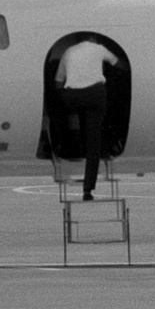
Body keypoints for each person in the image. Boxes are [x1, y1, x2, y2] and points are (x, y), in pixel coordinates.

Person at [55, 38, 122, 200]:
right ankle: (88, 190)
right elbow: (117, 63)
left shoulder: (68, 52)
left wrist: (60, 100)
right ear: (93, 39)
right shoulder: (99, 48)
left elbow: (58, 80)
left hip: (72, 96)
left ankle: (62, 144)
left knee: (78, 114)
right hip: (95, 95)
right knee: (94, 141)